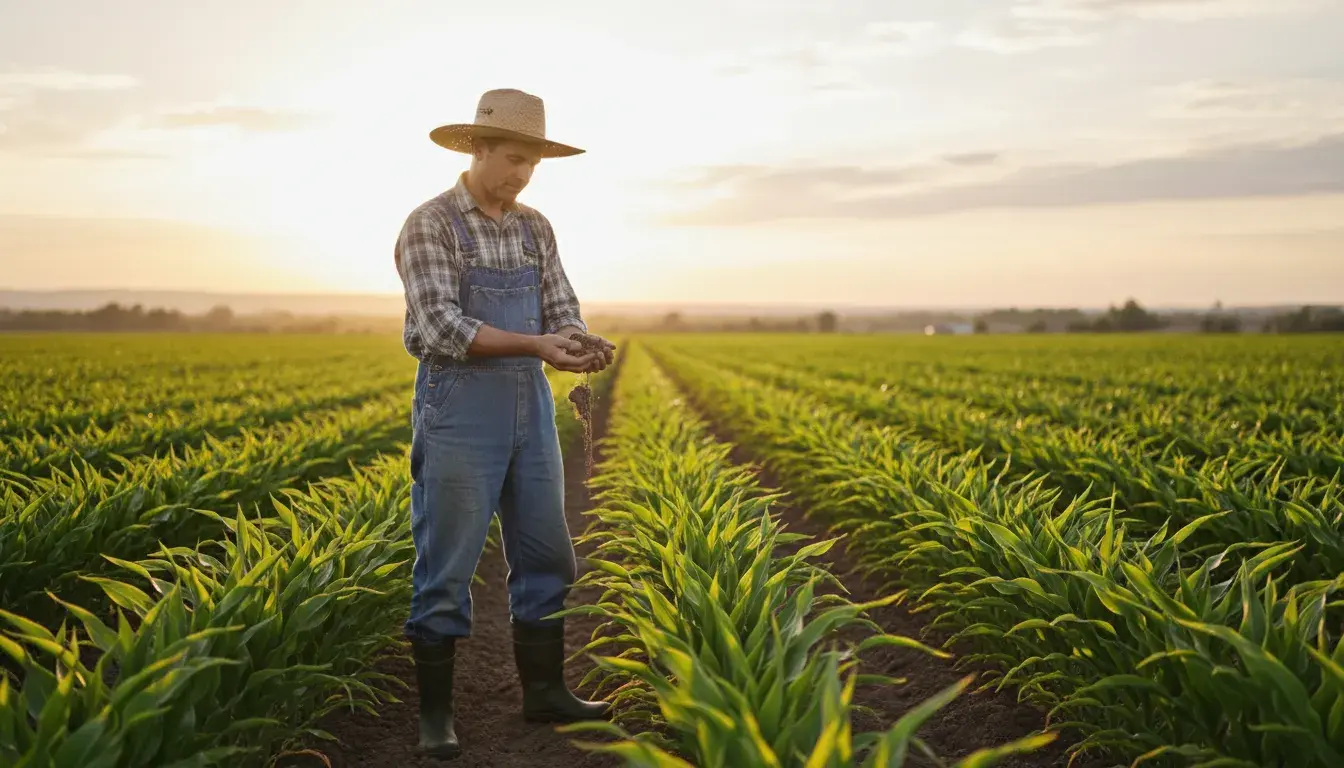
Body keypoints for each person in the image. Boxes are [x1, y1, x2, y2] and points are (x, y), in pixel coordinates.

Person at [393, 87, 617, 759]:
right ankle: (436, 718)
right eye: (514, 158)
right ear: (479, 148)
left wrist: (575, 342)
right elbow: (438, 326)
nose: (522, 174)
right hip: (460, 410)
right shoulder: (431, 224)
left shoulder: (534, 228)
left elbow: (560, 304)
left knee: (548, 554)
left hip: (531, 410)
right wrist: (535, 345)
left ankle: (545, 691)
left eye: (533, 164)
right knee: (447, 565)